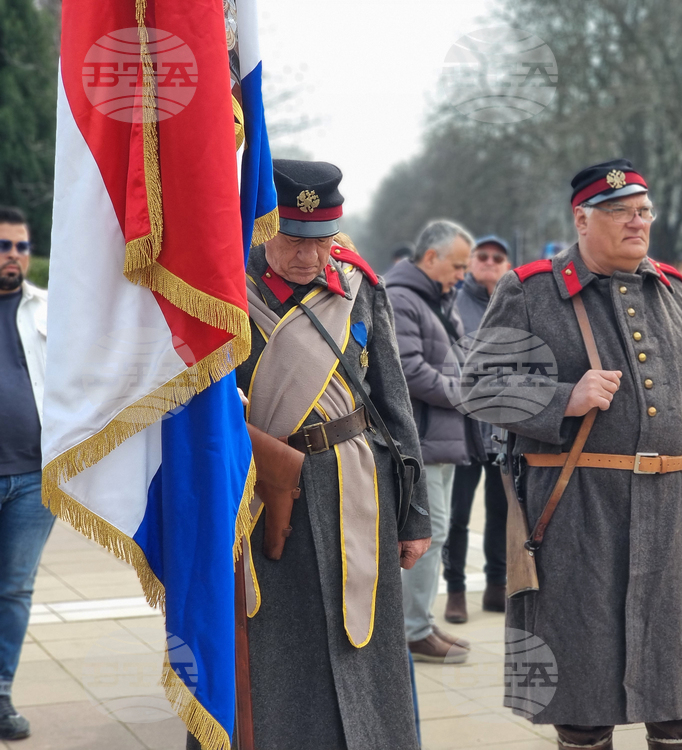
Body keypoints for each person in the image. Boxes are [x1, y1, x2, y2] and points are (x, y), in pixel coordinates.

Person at [465, 159, 682, 750]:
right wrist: (565, 398)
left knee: (681, 696)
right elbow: (479, 386)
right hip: (576, 514)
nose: (637, 223)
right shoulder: (532, 288)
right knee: (584, 697)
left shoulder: (674, 290)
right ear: (583, 218)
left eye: (644, 211)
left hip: (669, 508)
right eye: (620, 212)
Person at [188, 161, 433, 749]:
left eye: (322, 240)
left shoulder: (358, 287)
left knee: (362, 650)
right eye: (295, 240)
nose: (310, 257)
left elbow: (393, 403)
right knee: (271, 654)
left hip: (356, 486)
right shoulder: (218, 292)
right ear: (261, 226)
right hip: (255, 493)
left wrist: (415, 514)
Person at [385, 219, 473, 662]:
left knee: (434, 536)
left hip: (439, 438)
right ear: (431, 257)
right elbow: (410, 370)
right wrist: (464, 392)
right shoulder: (403, 299)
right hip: (419, 441)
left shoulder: (437, 298)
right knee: (426, 535)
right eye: (457, 265)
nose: (463, 274)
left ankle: (419, 623)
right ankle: (410, 630)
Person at [0, 207, 50, 741]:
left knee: (13, 590)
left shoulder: (47, 309)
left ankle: (1, 697)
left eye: (20, 246)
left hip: (31, 481)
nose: (13, 255)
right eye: (4, 245)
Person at [443, 235, 510, 623]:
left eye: (496, 257)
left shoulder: (515, 302)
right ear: (470, 263)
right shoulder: (453, 300)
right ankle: (455, 589)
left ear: (506, 264)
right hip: (462, 427)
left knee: (501, 510)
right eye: (481, 256)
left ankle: (497, 584)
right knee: (458, 514)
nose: (488, 261)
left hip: (503, 426)